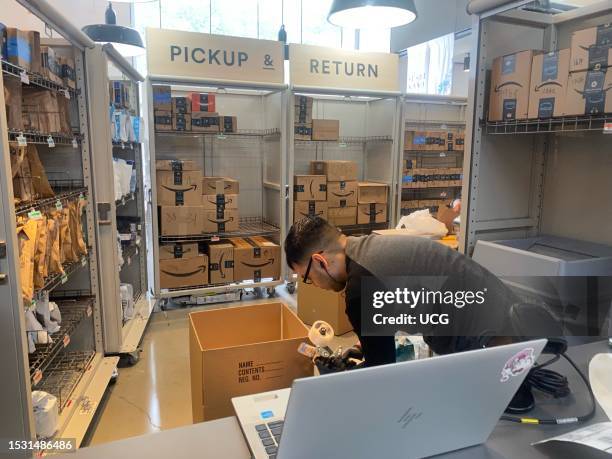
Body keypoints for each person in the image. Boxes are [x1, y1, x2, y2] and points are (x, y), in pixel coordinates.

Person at [284, 217, 519, 367]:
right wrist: (366, 343)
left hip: (490, 341)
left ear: (320, 261)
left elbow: (382, 371)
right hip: (504, 315)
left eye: (307, 277)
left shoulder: (360, 288)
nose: (313, 285)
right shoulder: (366, 248)